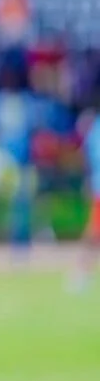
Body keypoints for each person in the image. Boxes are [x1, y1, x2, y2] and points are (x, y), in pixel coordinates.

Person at [71, 106, 100, 292]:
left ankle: (81, 272)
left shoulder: (94, 132)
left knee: (94, 233)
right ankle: (81, 272)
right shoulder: (95, 132)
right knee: (94, 233)